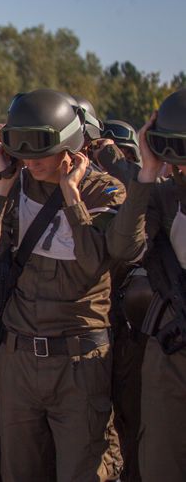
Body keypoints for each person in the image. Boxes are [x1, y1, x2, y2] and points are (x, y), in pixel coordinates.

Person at [0, 89, 125, 481]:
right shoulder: (11, 186)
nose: (31, 160)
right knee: (19, 470)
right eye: (21, 148)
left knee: (83, 469)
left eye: (40, 149)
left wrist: (70, 195)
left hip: (78, 361)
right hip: (18, 357)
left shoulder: (103, 190)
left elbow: (94, 264)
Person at [106, 88, 186, 482]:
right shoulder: (163, 196)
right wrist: (146, 173)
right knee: (160, 463)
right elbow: (124, 249)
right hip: (171, 349)